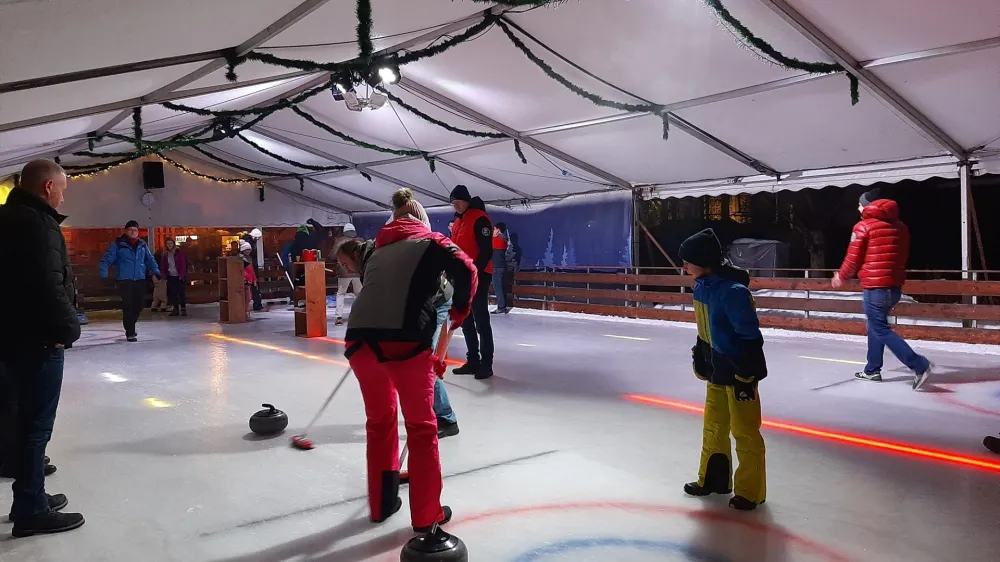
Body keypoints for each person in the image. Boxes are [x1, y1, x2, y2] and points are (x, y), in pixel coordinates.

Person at [336, 213, 476, 533]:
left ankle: (382, 503)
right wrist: (459, 312)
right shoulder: (433, 241)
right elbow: (467, 268)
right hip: (404, 343)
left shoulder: (378, 250)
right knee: (421, 428)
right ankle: (428, 515)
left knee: (380, 423)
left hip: (359, 340)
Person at [0, 159, 85, 536]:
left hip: (12, 336)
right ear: (48, 187)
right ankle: (31, 509)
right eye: (62, 188)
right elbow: (48, 283)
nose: (63, 194)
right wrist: (68, 328)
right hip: (37, 339)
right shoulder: (39, 224)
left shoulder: (7, 218)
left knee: (22, 422)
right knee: (36, 427)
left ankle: (31, 496)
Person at [680, 228, 767, 512]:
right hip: (716, 370)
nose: (684, 267)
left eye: (688, 261)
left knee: (745, 432)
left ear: (705, 262)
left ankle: (750, 492)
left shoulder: (734, 292)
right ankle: (714, 480)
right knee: (714, 427)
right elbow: (705, 329)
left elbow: (751, 337)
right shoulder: (701, 287)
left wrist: (747, 374)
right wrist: (700, 355)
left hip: (739, 372)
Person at [832, 189, 932, 390]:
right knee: (875, 326)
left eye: (860, 204)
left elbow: (853, 257)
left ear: (869, 205)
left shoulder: (863, 226)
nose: (858, 207)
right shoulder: (900, 227)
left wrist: (840, 277)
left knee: (879, 328)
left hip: (875, 288)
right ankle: (872, 370)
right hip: (893, 287)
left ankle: (919, 364)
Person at [390, 188, 461, 438]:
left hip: (436, 302)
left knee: (424, 362)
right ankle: (427, 411)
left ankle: (446, 418)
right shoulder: (398, 227)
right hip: (419, 304)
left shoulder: (427, 239)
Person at [448, 185, 495, 379]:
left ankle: (486, 363)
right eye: (453, 203)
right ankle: (473, 360)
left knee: (480, 319)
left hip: (478, 275)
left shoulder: (479, 218)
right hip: (461, 276)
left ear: (467, 200)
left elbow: (486, 250)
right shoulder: (459, 221)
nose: (456, 206)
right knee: (465, 318)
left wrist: (474, 271)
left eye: (458, 202)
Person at [99, 220, 160, 342]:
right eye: (131, 230)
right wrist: (103, 274)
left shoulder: (142, 245)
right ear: (126, 231)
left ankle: (130, 324)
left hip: (139, 279)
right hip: (124, 280)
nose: (133, 232)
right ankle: (130, 332)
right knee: (128, 306)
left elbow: (149, 259)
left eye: (135, 230)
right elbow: (106, 260)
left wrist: (156, 271)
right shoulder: (117, 245)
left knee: (138, 306)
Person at [333, 223, 362, 326]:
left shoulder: (339, 241)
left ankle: (339, 317)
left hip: (343, 271)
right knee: (359, 294)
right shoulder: (360, 240)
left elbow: (332, 255)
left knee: (341, 293)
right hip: (357, 271)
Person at [159, 237, 188, 316]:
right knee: (173, 293)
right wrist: (164, 274)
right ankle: (175, 309)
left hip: (179, 276)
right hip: (170, 275)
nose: (169, 245)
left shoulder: (179, 252)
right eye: (168, 244)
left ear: (173, 244)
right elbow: (163, 265)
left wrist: (182, 275)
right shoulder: (165, 254)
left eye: (171, 243)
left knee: (181, 293)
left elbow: (183, 264)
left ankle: (183, 309)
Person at [491, 223, 514, 314]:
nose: (493, 231)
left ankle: (501, 307)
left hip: (497, 266)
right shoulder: (503, 239)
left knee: (498, 288)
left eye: (494, 229)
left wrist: (492, 237)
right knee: (501, 287)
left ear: (498, 230)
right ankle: (502, 306)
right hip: (501, 266)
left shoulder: (497, 240)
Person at [241, 229, 263, 311]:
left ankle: (251, 307)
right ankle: (256, 305)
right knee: (251, 290)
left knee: (249, 292)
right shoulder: (248, 257)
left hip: (249, 272)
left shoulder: (245, 257)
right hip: (249, 272)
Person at [239, 240, 258, 318]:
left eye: (249, 249)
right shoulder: (241, 259)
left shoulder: (248, 258)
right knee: (246, 297)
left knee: (248, 297)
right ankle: (244, 312)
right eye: (246, 249)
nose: (248, 251)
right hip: (244, 279)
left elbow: (251, 270)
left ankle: (246, 312)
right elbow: (245, 270)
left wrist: (254, 279)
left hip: (248, 279)